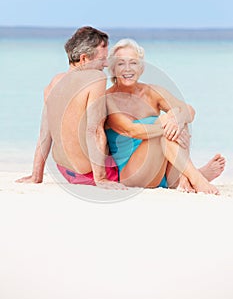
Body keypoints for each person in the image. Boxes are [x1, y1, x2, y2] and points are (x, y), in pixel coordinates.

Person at [105, 38, 225, 194]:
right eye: (121, 63)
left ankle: (183, 178)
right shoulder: (108, 100)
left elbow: (189, 110)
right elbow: (131, 130)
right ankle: (196, 177)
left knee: (178, 117)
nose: (128, 68)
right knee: (167, 122)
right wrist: (168, 123)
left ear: (141, 68)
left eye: (133, 63)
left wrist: (178, 119)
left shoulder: (151, 92)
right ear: (113, 69)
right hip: (134, 174)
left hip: (163, 171)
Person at [16, 26, 126, 190]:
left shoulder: (54, 82)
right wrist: (101, 179)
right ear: (84, 59)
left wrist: (36, 175)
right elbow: (94, 131)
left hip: (67, 172)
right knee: (143, 129)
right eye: (102, 59)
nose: (105, 64)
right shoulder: (96, 78)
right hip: (92, 173)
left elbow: (45, 134)